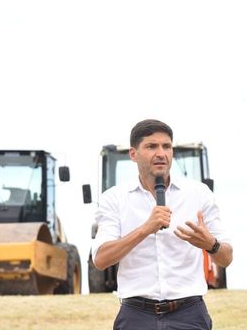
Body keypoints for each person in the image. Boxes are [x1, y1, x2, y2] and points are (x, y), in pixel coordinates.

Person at [91, 119, 233, 330]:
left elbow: (226, 257)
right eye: (151, 146)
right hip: (136, 317)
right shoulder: (114, 199)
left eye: (166, 146)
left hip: (189, 315)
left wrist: (211, 244)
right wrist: (145, 229)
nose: (161, 153)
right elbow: (101, 259)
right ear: (133, 154)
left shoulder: (198, 194)